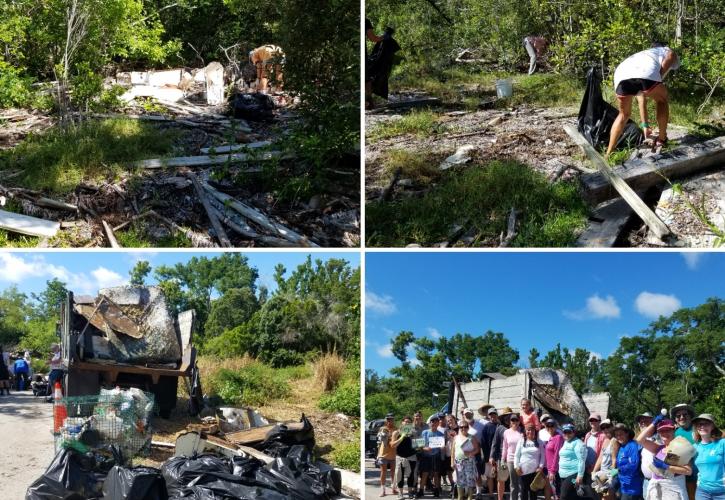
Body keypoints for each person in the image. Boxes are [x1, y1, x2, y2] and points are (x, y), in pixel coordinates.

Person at [606, 44, 680, 156]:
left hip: (621, 75)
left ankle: (609, 153)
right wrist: (657, 80)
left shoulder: (644, 57)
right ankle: (662, 139)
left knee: (623, 114)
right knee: (662, 100)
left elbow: (641, 96)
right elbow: (668, 60)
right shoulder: (667, 51)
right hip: (644, 74)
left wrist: (645, 126)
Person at [636, 415, 692, 500]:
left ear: (673, 431)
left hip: (673, 490)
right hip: (657, 489)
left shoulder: (681, 448)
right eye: (661, 431)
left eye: (668, 430)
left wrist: (667, 467)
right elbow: (640, 440)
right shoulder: (658, 448)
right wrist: (653, 424)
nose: (664, 433)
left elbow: (688, 471)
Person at [692, 414, 724, 500]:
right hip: (702, 491)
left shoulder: (722, 443)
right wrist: (662, 458)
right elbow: (678, 459)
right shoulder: (694, 447)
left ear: (712, 426)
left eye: (706, 423)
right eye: (699, 424)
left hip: (722, 492)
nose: (702, 426)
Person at [672, 404, 698, 500]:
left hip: (703, 477)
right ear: (675, 419)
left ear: (690, 415)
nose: (682, 417)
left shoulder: (699, 428)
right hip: (685, 478)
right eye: (678, 416)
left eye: (685, 414)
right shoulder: (674, 433)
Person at [515, 423, 546, 500]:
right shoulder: (521, 441)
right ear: (525, 431)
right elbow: (516, 455)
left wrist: (540, 467)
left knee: (533, 494)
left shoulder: (540, 442)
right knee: (523, 493)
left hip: (535, 473)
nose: (530, 432)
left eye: (532, 430)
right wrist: (516, 467)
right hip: (523, 472)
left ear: (535, 431)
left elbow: (543, 456)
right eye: (528, 430)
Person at [614, 423, 644, 500]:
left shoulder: (632, 445)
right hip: (623, 485)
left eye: (621, 434)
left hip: (632, 487)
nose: (618, 437)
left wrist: (618, 470)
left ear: (627, 433)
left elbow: (633, 465)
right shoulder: (621, 447)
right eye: (616, 435)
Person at [453, 420, 481, 500]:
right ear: (459, 428)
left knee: (470, 480)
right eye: (461, 427)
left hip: (469, 461)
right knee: (459, 481)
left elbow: (477, 449)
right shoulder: (456, 437)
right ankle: (460, 496)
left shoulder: (472, 437)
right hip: (458, 462)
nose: (463, 428)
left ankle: (470, 497)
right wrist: (452, 462)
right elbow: (453, 451)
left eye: (465, 427)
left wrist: (471, 453)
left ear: (468, 428)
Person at [558, 423, 587, 500]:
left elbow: (582, 460)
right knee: (571, 496)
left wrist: (580, 475)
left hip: (573, 474)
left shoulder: (578, 443)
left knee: (563, 496)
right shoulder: (566, 442)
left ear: (574, 432)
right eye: (565, 432)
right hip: (563, 474)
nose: (567, 434)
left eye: (569, 432)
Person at [592, 420, 619, 499]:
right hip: (602, 473)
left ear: (612, 427)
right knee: (603, 496)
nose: (605, 429)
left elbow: (614, 460)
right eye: (603, 428)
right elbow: (601, 457)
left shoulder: (614, 440)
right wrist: (594, 471)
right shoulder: (605, 440)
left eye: (607, 427)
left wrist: (610, 475)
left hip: (609, 475)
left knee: (608, 496)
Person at [491, 407, 514, 500]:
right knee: (501, 479)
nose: (508, 418)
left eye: (510, 416)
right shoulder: (499, 428)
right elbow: (494, 443)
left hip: (514, 458)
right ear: (503, 418)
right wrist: (491, 457)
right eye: (506, 416)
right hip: (503, 459)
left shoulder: (516, 427)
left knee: (514, 481)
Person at [393, 416, 419, 500]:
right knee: (399, 475)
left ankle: (410, 492)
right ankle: (400, 493)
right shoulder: (396, 433)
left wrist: (416, 440)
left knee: (411, 475)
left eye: (409, 422)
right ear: (402, 423)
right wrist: (402, 437)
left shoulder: (414, 432)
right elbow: (392, 445)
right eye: (406, 422)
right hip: (400, 457)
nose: (407, 423)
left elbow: (418, 446)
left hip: (411, 457)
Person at [420, 414, 446, 498]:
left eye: (436, 422)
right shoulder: (424, 432)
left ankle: (437, 490)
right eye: (432, 422)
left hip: (436, 456)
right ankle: (421, 490)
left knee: (436, 474)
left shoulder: (441, 434)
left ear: (438, 423)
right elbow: (420, 445)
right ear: (430, 423)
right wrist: (425, 448)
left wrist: (442, 447)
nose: (434, 423)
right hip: (426, 456)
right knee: (424, 474)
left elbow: (442, 446)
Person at [481, 408, 501, 500]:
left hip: (500, 455)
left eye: (494, 414)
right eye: (491, 415)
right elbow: (483, 443)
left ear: (497, 415)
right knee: (490, 476)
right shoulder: (486, 427)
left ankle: (499, 494)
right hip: (490, 456)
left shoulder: (500, 426)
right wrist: (487, 458)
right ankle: (491, 494)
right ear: (488, 416)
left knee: (500, 476)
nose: (493, 416)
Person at [503, 413, 524, 500]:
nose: (515, 422)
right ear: (510, 422)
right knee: (513, 482)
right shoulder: (506, 432)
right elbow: (505, 447)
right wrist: (502, 460)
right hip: (510, 459)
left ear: (519, 421)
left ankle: (520, 498)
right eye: (513, 420)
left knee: (520, 482)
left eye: (516, 420)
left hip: (521, 460)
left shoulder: (523, 432)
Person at [365, 18, 384, 109]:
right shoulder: (365, 21)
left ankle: (367, 103)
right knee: (366, 78)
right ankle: (368, 102)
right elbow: (373, 38)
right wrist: (384, 37)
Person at [379, 413, 399, 496]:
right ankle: (383, 490)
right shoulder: (382, 429)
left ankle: (393, 489)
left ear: (393, 420)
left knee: (393, 472)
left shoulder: (396, 429)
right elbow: (380, 442)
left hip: (393, 454)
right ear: (386, 420)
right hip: (383, 453)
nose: (389, 421)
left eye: (391, 419)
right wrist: (378, 454)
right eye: (388, 419)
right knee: (383, 471)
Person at [545, 419, 565, 499]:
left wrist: (553, 471)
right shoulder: (551, 437)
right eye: (547, 426)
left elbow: (557, 454)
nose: (550, 428)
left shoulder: (558, 437)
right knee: (554, 492)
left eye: (552, 425)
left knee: (557, 493)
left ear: (555, 426)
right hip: (550, 469)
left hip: (555, 470)